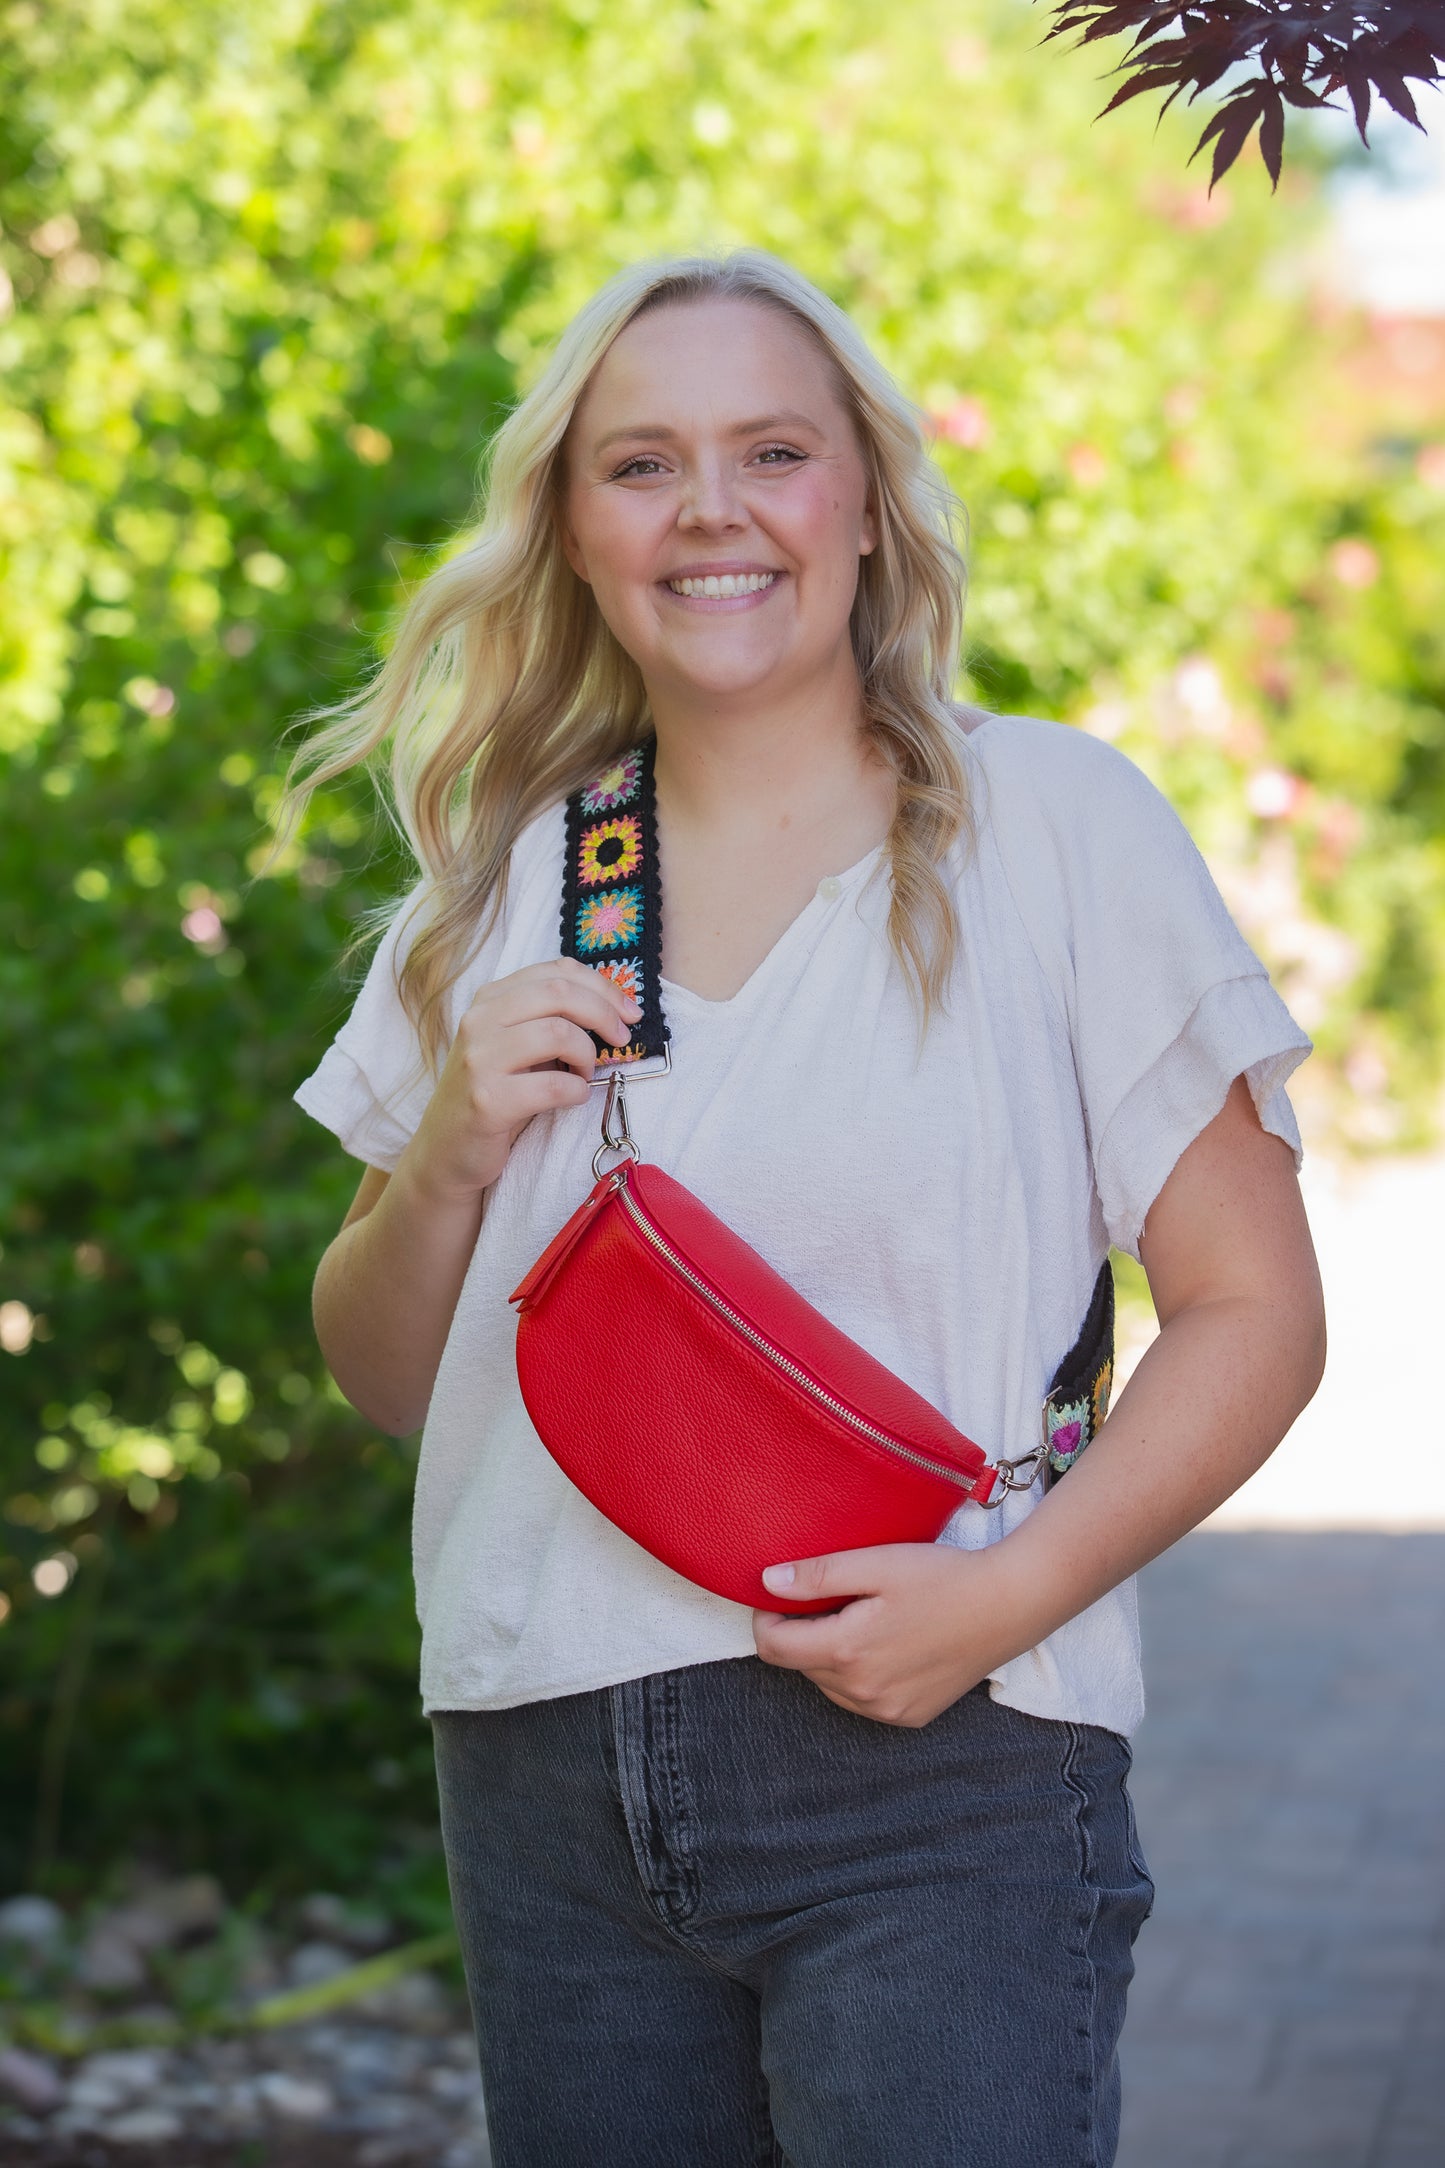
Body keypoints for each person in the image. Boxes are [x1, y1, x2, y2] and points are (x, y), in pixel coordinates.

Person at [286, 249, 1325, 2168]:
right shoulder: (524, 872)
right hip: (543, 1775)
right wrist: (442, 1151)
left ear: (862, 497)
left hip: (942, 1763)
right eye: (641, 465)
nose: (711, 513)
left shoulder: (1053, 829)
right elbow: (379, 1373)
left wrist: (1010, 1596)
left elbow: (1255, 1310)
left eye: (771, 451)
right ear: (572, 529)